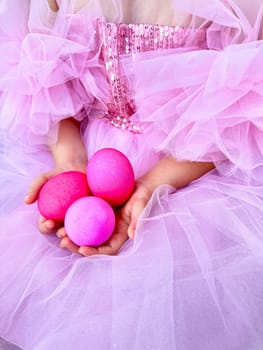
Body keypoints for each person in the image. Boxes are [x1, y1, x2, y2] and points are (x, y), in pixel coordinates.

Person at [0, 0, 263, 349]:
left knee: (163, 303)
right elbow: (40, 69)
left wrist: (150, 185)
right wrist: (69, 161)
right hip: (91, 155)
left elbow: (243, 105)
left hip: (190, 165)